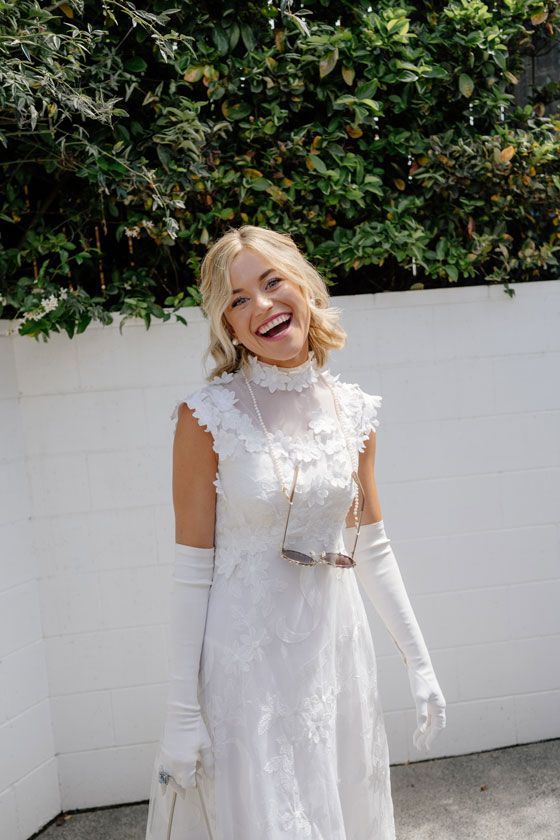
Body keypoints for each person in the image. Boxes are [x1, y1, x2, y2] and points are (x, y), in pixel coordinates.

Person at [145, 225, 446, 840]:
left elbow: (372, 546)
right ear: (229, 326)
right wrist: (180, 711)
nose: (261, 305)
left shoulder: (355, 410)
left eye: (272, 282)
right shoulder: (206, 418)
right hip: (246, 668)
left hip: (335, 658)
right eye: (238, 299)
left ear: (304, 287)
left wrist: (420, 664)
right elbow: (191, 571)